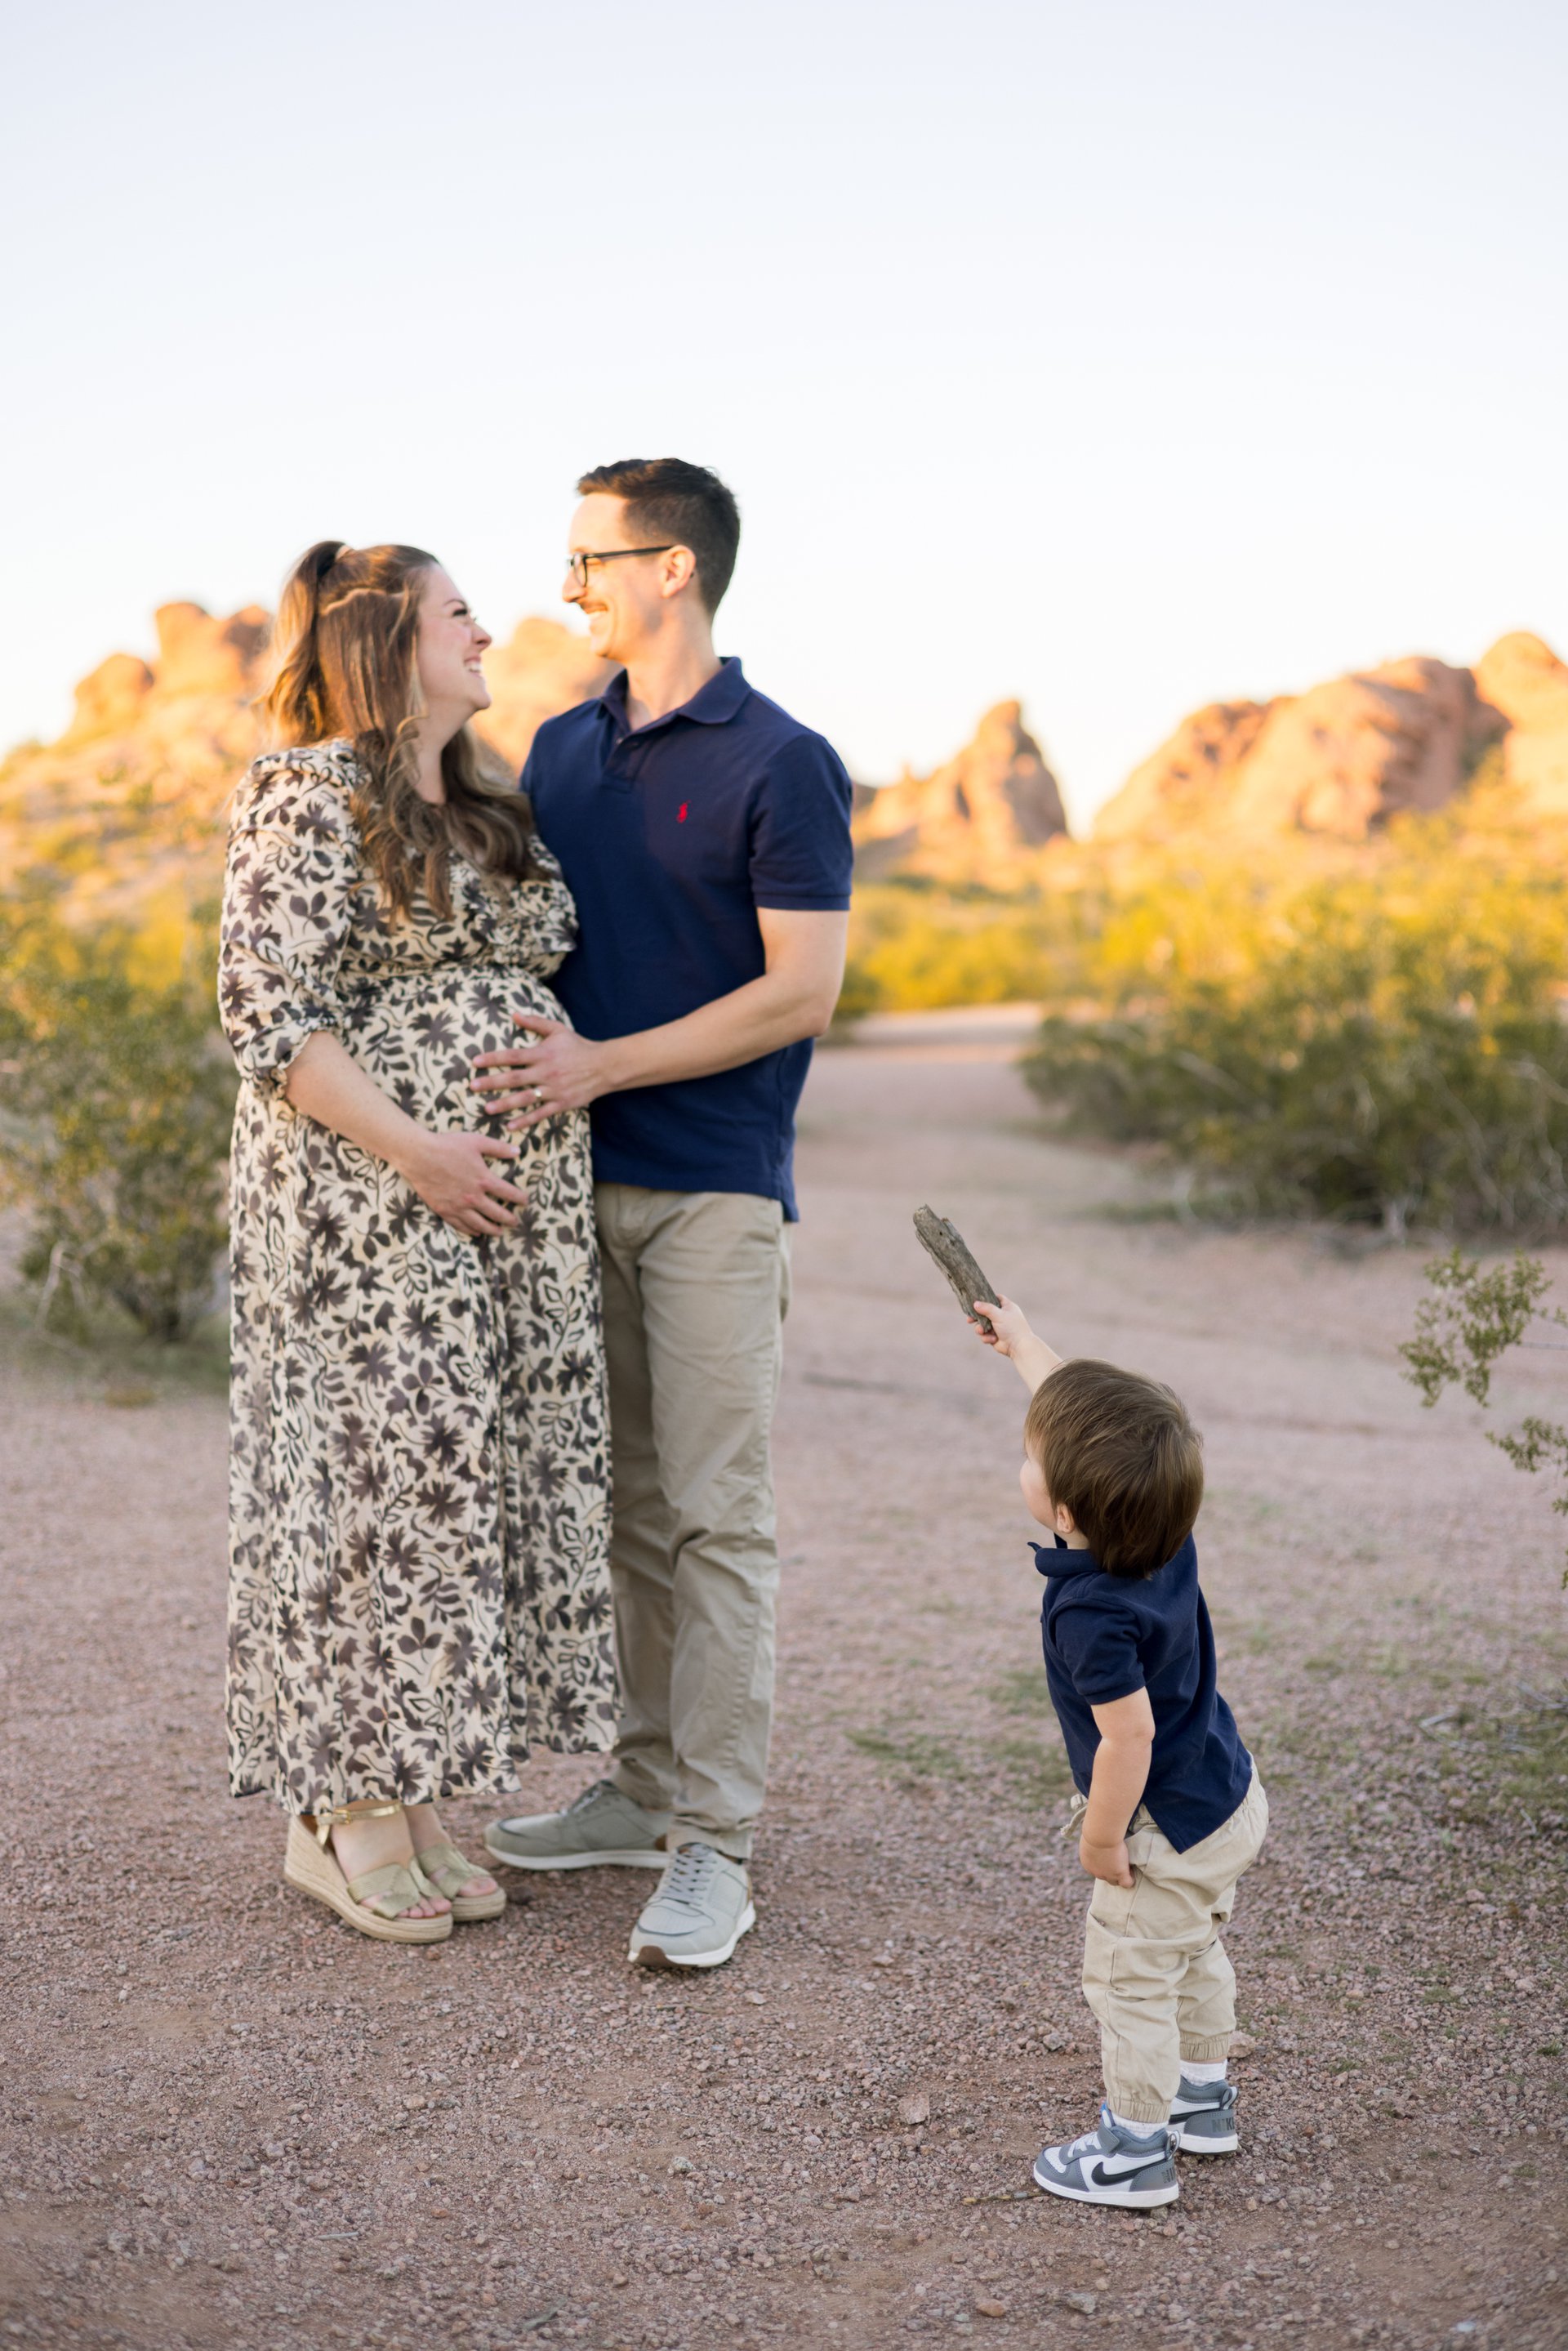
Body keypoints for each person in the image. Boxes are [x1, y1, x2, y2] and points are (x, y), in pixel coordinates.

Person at [479, 460, 853, 1969]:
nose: (570, 583)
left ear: (673, 566)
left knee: (716, 1519)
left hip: (712, 1194)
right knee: (631, 1512)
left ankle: (717, 1843)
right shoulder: (561, 750)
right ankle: (641, 1789)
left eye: (592, 558)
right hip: (576, 1192)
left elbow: (802, 991)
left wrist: (600, 1065)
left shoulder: (785, 760)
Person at [219, 540, 617, 1945]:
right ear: (384, 641)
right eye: (459, 612)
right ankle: (340, 1810)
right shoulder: (307, 790)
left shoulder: (489, 807)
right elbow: (268, 1009)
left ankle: (417, 1794)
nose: (487, 631)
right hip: (368, 1213)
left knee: (451, 1496)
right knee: (366, 1494)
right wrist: (419, 1148)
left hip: (499, 1231)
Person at [969, 1292, 1267, 2209]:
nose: (1026, 1453)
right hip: (1226, 1795)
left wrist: (1102, 1838)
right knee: (1191, 1945)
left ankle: (1135, 2150)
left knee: (1129, 1975)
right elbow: (1086, 1419)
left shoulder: (1091, 1611)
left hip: (1161, 1824)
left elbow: (1127, 1735)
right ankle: (1201, 2099)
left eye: (1033, 1454)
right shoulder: (1158, 1521)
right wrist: (1024, 1344)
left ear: (1063, 1507)